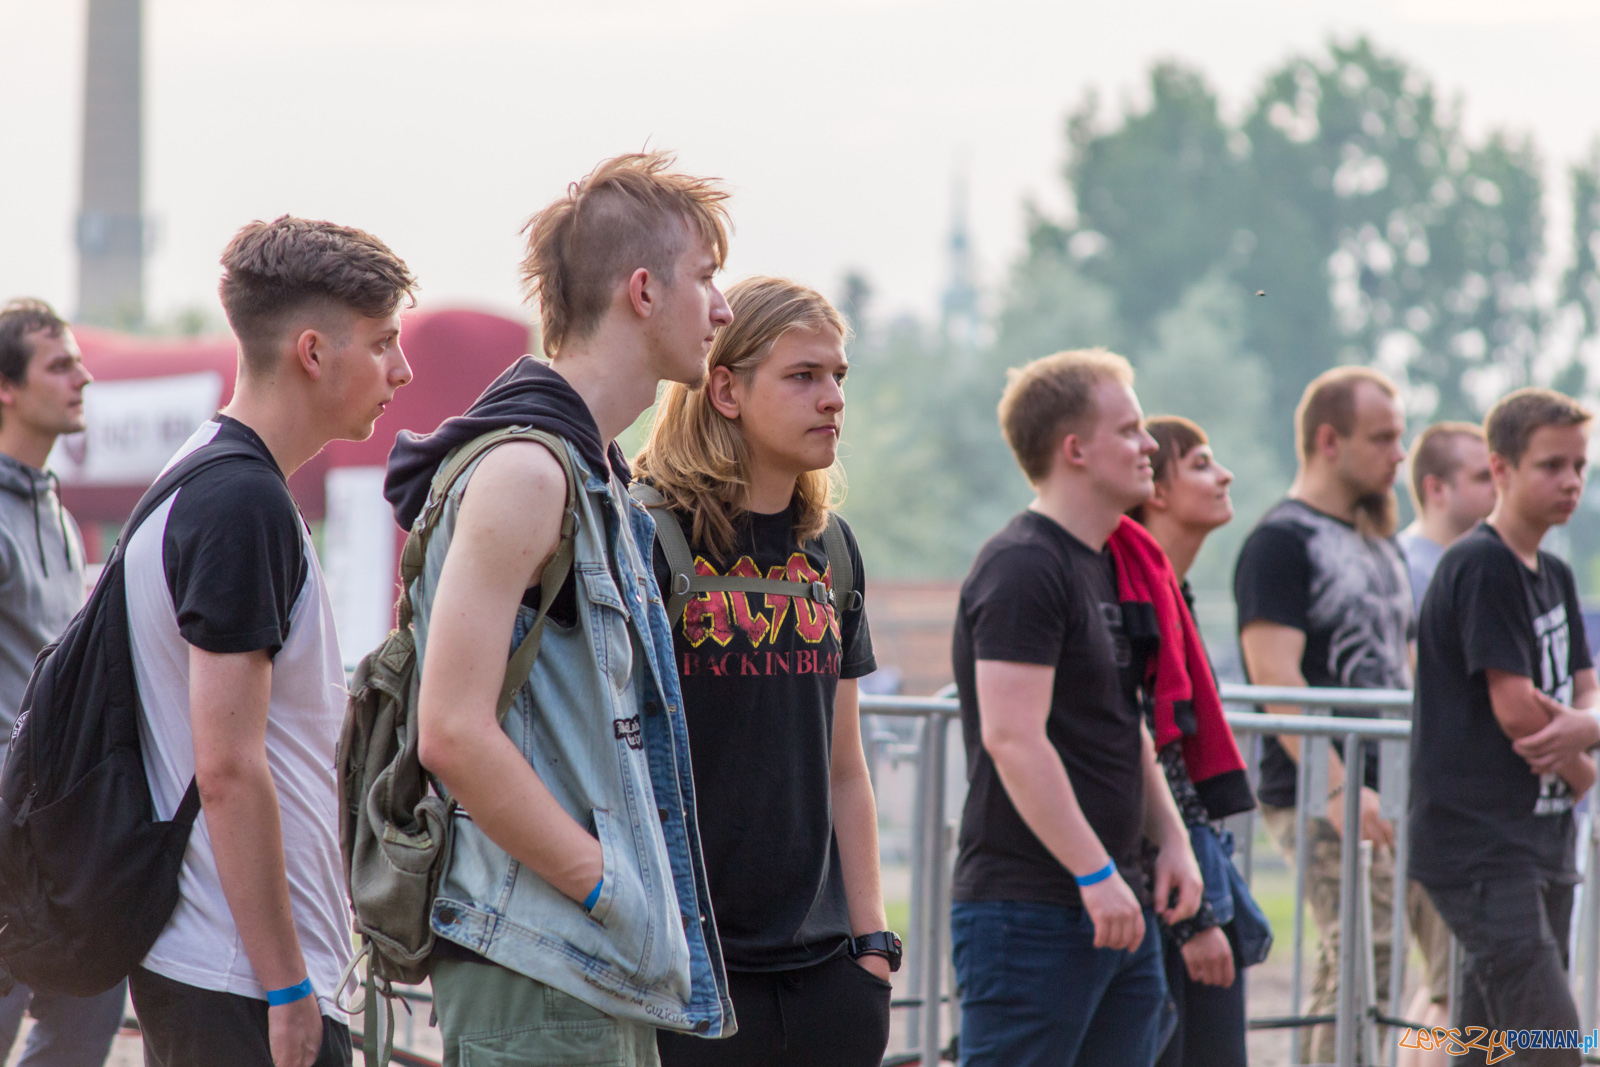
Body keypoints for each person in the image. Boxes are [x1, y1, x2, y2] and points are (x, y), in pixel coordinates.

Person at [386, 152, 735, 1067]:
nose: (724, 308)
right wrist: (607, 891)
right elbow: (452, 732)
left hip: (575, 963)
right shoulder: (527, 472)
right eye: (707, 278)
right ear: (644, 291)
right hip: (542, 960)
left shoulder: (588, 471)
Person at [124, 217, 415, 1067]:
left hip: (226, 969)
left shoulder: (207, 474)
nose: (402, 369)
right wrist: (288, 985)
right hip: (240, 980)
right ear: (314, 351)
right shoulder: (241, 504)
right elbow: (228, 765)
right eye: (384, 342)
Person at [634, 277, 894, 1067]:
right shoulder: (644, 537)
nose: (832, 400)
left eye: (839, 378)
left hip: (827, 980)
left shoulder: (834, 549)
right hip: (688, 977)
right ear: (725, 388)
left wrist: (873, 945)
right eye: (803, 376)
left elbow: (844, 767)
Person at [950, 348, 1203, 1067]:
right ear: (1075, 449)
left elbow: (1123, 723)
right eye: (1129, 429)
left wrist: (1172, 838)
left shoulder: (1105, 556)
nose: (1150, 443)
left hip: (1115, 904)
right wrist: (1096, 875)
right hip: (1031, 912)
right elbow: (1013, 738)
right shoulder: (1024, 565)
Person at [1232, 366, 1448, 1062]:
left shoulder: (1376, 537)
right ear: (1329, 439)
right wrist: (1334, 788)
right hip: (1320, 788)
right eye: (1382, 436)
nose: (1399, 453)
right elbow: (1273, 675)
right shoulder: (1280, 541)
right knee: (1360, 957)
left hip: (1397, 787)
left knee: (1416, 962)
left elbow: (1407, 662)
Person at [1409, 388, 1600, 1067]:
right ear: (1501, 469)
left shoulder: (1554, 572)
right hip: (1481, 847)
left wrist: (1584, 729)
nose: (1571, 481)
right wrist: (1587, 760)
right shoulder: (1481, 564)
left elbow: (1587, 687)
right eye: (1551, 464)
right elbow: (1518, 710)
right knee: (1551, 1043)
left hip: (1541, 841)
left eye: (1579, 465)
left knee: (1488, 1047)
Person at [0, 299, 124, 1067]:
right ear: (6, 388)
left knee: (90, 1001)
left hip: (51, 819)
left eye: (78, 359)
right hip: (9, 825)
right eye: (58, 364)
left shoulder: (49, 504)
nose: (82, 377)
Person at [1129, 416, 1265, 1067]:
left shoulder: (1171, 586)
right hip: (1165, 884)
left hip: (1185, 869)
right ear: (1156, 488)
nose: (1225, 474)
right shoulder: (1138, 588)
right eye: (1203, 463)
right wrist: (1195, 916)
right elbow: (1157, 751)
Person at [1397, 422, 1496, 609]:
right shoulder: (1404, 573)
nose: (1498, 488)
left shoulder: (1489, 562)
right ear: (1436, 489)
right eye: (1483, 477)